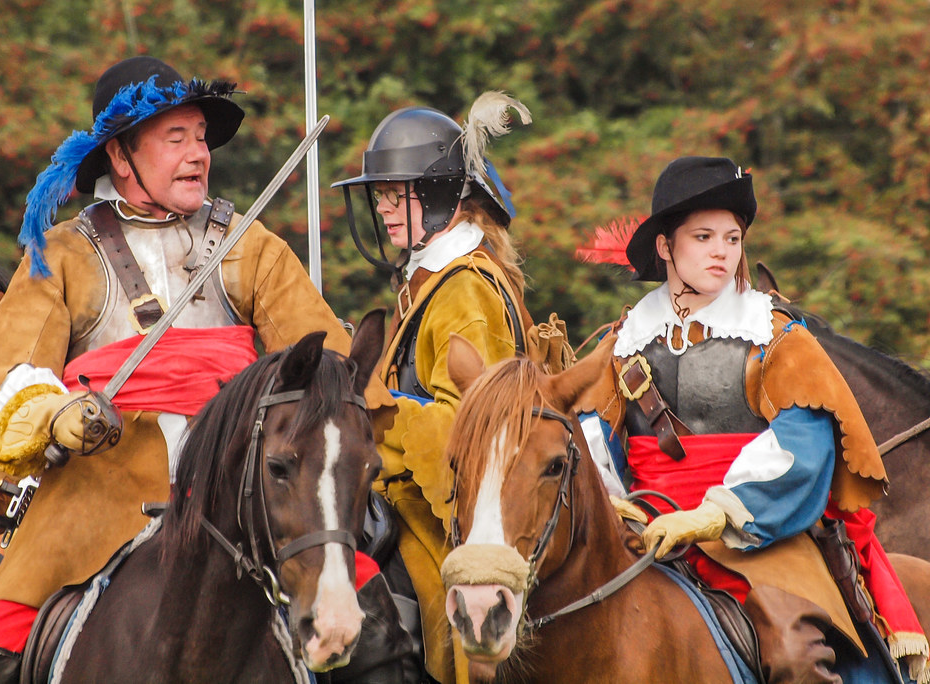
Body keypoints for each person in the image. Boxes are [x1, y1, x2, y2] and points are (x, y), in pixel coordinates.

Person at [0, 56, 393, 683]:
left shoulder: (252, 246)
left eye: (201, 138)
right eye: (175, 138)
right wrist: (58, 413)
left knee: (376, 625)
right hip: (101, 487)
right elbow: (5, 376)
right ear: (122, 156)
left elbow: (336, 377)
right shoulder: (63, 254)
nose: (198, 154)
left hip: (248, 493)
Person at [577, 156, 928, 683]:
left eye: (732, 238)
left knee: (797, 657)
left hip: (760, 531)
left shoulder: (778, 337)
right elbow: (592, 446)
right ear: (664, 246)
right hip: (643, 528)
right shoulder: (621, 342)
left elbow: (803, 449)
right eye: (703, 236)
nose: (722, 250)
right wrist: (616, 509)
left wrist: (713, 516)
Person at [332, 93, 536, 684]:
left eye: (399, 193)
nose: (385, 208)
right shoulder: (430, 279)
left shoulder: (465, 290)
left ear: (443, 194)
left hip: (445, 516)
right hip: (405, 494)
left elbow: (477, 431)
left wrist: (372, 409)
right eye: (381, 195)